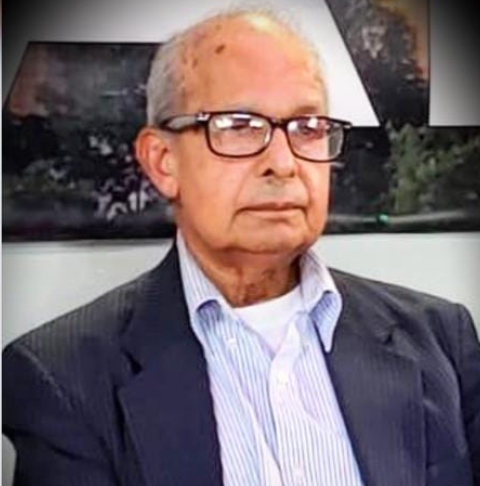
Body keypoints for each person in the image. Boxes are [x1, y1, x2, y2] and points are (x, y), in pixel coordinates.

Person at [3, 8, 480, 486]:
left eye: (308, 126)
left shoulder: (442, 341)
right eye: (238, 125)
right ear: (163, 161)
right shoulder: (63, 379)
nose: (283, 163)